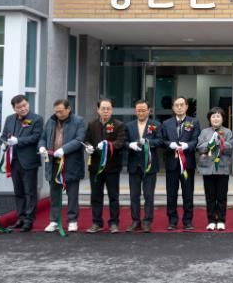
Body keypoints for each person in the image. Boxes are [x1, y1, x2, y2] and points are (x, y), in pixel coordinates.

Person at [38, 99, 85, 233]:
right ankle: (54, 220)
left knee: (72, 193)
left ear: (68, 109)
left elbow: (79, 140)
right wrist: (42, 147)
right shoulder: (51, 121)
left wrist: (64, 149)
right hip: (53, 162)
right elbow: (43, 137)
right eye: (56, 112)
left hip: (71, 162)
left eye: (61, 111)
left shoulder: (79, 121)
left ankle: (72, 220)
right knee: (54, 193)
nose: (58, 114)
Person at [0, 94, 43, 232]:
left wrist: (19, 141)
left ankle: (29, 220)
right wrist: (4, 143)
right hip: (13, 161)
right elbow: (3, 136)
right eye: (19, 107)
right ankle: (20, 218)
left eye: (25, 105)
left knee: (30, 192)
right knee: (18, 191)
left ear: (28, 104)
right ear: (14, 108)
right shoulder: (9, 119)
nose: (23, 109)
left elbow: (36, 137)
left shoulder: (36, 119)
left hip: (29, 161)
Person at [83, 98, 126, 234]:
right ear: (98, 110)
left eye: (108, 109)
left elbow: (120, 142)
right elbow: (86, 140)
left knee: (113, 196)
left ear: (112, 110)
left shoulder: (118, 125)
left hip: (112, 167)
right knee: (96, 196)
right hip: (95, 167)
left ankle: (114, 223)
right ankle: (97, 222)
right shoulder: (92, 125)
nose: (105, 111)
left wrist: (108, 145)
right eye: (103, 108)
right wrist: (88, 147)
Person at [161, 96, 200, 230]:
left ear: (187, 107)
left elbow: (196, 140)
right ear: (173, 108)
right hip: (171, 163)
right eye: (176, 105)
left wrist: (187, 145)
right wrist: (169, 144)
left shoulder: (194, 122)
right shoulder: (166, 123)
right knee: (171, 193)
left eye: (182, 105)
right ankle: (172, 220)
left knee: (188, 193)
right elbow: (162, 140)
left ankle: (188, 221)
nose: (179, 107)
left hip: (187, 163)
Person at [125, 99, 162, 232]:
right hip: (134, 165)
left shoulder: (156, 124)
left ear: (149, 111)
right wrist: (130, 145)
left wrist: (148, 142)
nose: (141, 113)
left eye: (143, 110)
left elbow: (160, 141)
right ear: (135, 111)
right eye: (138, 110)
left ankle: (147, 221)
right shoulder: (129, 126)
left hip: (150, 165)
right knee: (134, 195)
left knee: (148, 195)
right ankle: (135, 221)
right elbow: (123, 142)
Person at [197, 107, 233, 231]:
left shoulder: (228, 132)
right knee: (210, 196)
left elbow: (230, 148)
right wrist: (210, 144)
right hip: (208, 169)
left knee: (221, 196)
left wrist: (219, 142)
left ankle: (221, 220)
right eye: (213, 116)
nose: (216, 119)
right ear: (209, 119)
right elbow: (200, 147)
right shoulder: (204, 132)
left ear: (222, 118)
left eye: (218, 116)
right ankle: (211, 220)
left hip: (222, 168)